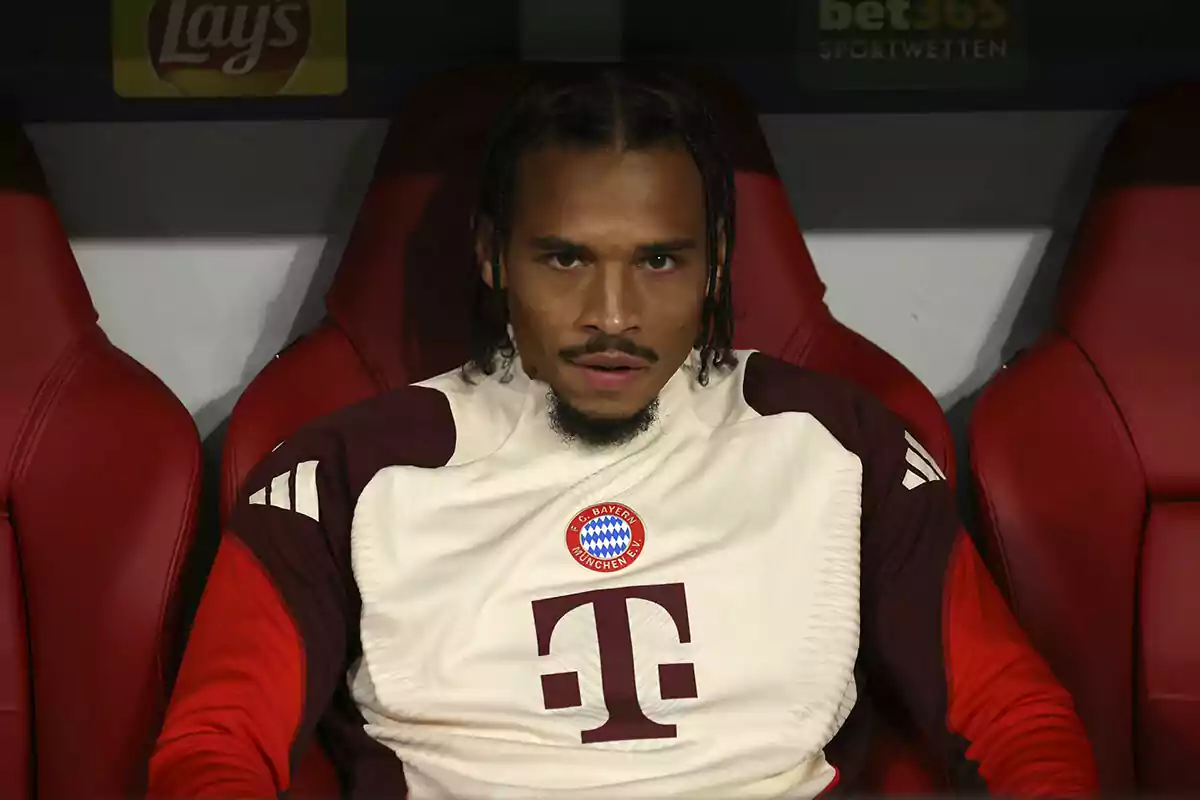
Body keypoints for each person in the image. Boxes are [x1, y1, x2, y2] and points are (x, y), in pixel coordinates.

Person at [148, 66, 1098, 798]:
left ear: (716, 263)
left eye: (658, 260)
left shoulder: (842, 445)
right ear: (492, 255)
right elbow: (216, 746)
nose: (612, 312)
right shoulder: (343, 470)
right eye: (564, 258)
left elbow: (1011, 718)